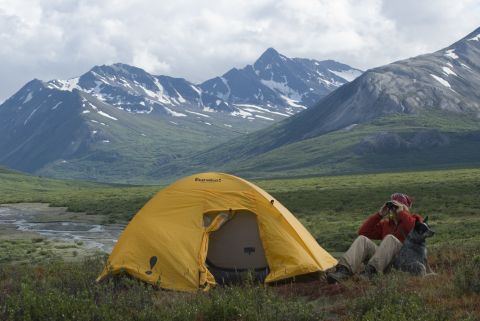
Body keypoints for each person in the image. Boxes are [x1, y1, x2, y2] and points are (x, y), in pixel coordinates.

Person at [327, 193, 422, 283]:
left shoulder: (414, 220)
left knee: (390, 239)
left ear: (405, 208)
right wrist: (379, 215)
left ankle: (371, 273)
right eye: (392, 207)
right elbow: (363, 232)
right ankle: (344, 271)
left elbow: (413, 229)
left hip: (401, 263)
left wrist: (402, 213)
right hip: (383, 262)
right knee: (362, 239)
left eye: (396, 207)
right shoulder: (386, 224)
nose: (394, 210)